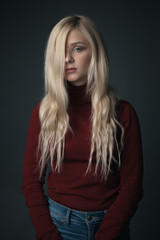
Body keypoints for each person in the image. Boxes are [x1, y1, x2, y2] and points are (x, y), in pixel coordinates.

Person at [21, 14, 144, 240]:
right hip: (61, 226)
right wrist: (49, 236)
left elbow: (133, 186)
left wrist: (107, 234)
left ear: (95, 53)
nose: (67, 58)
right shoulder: (44, 112)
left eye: (77, 49)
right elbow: (31, 183)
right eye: (61, 51)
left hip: (112, 226)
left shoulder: (123, 113)